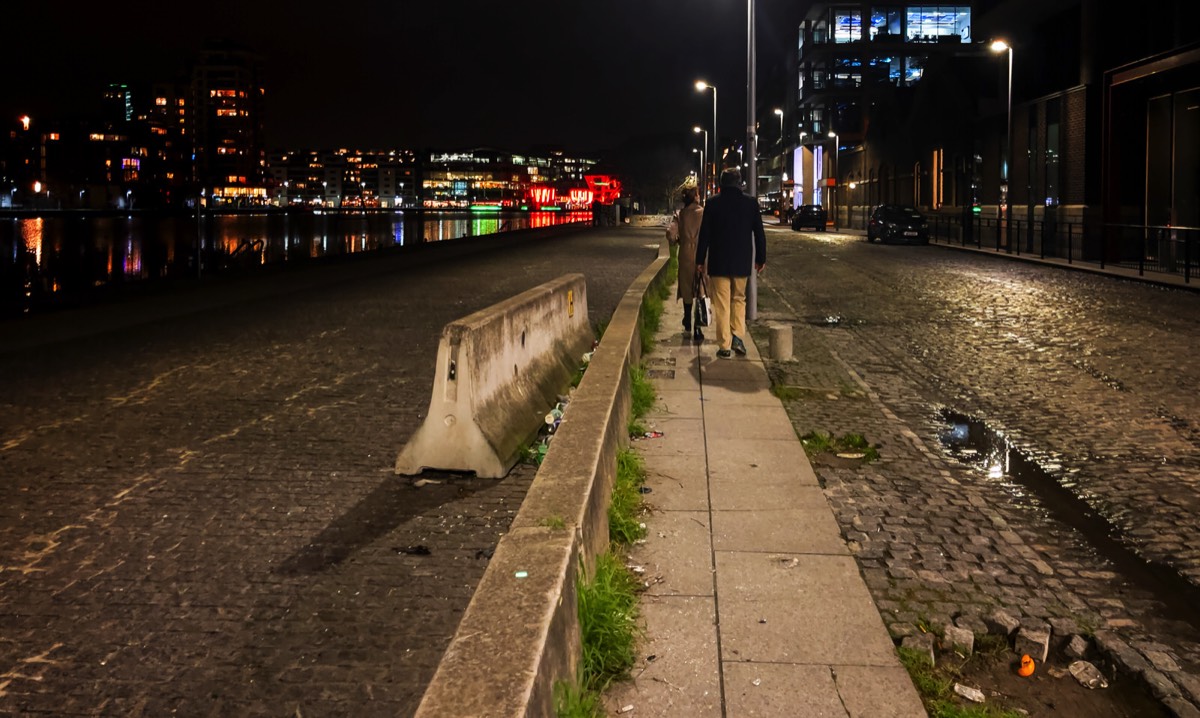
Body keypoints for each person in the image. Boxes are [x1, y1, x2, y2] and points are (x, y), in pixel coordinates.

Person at [695, 167, 766, 359]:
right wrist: (761, 259)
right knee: (739, 299)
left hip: (719, 262)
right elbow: (759, 233)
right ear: (739, 182)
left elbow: (705, 235)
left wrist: (700, 260)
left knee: (722, 303)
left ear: (720, 183)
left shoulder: (712, 204)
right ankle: (738, 337)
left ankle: (724, 345)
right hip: (742, 261)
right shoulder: (750, 204)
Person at [669, 181, 705, 342]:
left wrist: (678, 240)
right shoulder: (704, 213)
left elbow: (670, 234)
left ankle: (687, 324)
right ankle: (698, 328)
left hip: (684, 254)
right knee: (700, 290)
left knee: (686, 288)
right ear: (695, 197)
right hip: (701, 254)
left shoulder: (680, 214)